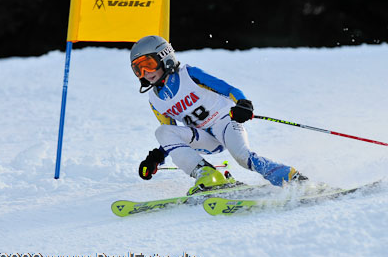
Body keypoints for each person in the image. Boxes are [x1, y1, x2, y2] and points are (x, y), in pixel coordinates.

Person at [130, 35, 307, 195]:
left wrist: (243, 103)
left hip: (225, 122)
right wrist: (157, 157)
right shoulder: (155, 100)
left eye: (148, 64)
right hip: (203, 137)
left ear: (165, 57)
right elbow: (172, 135)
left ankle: (290, 177)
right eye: (138, 69)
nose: (145, 73)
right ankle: (207, 174)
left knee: (243, 158)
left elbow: (230, 89)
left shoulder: (189, 75)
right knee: (162, 132)